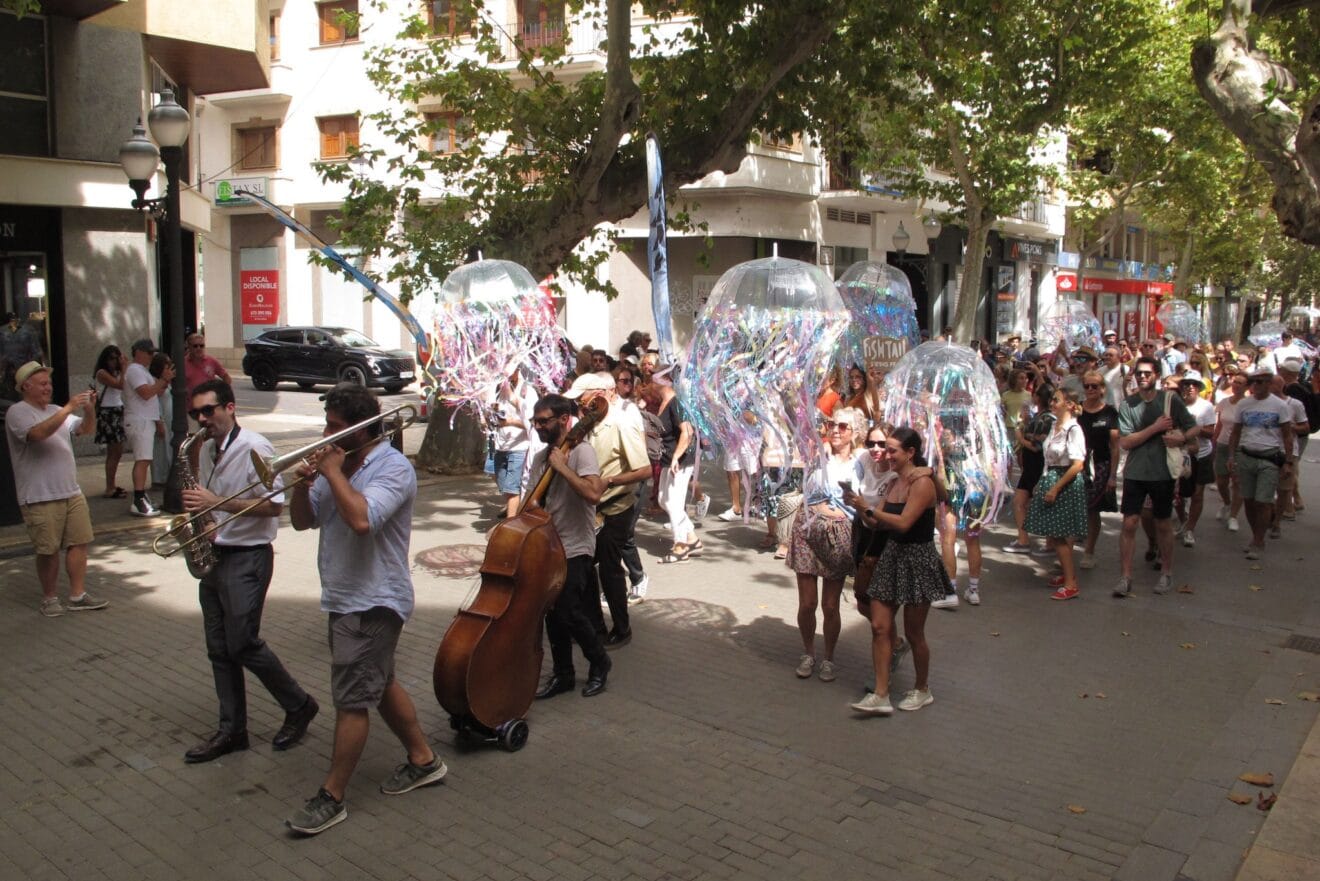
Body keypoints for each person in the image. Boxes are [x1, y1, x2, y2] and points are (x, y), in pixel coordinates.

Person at [287, 383, 446, 836]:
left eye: (335, 427)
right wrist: (303, 485)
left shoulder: (393, 468)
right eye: (326, 425)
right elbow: (302, 521)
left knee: (352, 700)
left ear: (360, 430)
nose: (326, 435)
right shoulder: (337, 465)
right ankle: (423, 759)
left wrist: (331, 472)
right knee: (380, 682)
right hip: (343, 595)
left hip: (374, 599)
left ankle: (332, 796)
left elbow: (361, 520)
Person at [180, 380, 318, 764]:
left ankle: (299, 704)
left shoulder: (255, 447)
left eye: (208, 410)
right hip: (215, 554)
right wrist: (206, 520)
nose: (202, 419)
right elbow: (209, 503)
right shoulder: (206, 449)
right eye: (195, 413)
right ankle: (232, 731)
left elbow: (273, 506)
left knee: (242, 643)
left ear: (230, 407)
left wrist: (217, 502)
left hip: (247, 557)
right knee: (219, 649)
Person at [850, 427, 944, 715]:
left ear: (910, 452)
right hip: (891, 557)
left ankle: (922, 688)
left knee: (915, 633)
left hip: (917, 560)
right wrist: (860, 508)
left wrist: (869, 509)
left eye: (892, 450)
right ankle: (881, 694)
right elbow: (877, 523)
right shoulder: (893, 482)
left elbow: (903, 523)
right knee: (880, 626)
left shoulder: (922, 483)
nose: (886, 455)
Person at [4, 362, 108, 617]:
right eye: (42, 384)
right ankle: (49, 598)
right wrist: (69, 408)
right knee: (48, 549)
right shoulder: (17, 412)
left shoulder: (55, 410)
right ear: (26, 387)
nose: (48, 387)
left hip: (71, 490)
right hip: (39, 495)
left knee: (79, 542)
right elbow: (37, 434)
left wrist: (89, 410)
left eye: (49, 383)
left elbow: (85, 429)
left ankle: (77, 595)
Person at [528, 394, 613, 700]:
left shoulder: (582, 452)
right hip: (548, 546)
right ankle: (563, 674)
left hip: (576, 545)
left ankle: (600, 662)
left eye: (544, 421)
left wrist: (562, 468)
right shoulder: (540, 458)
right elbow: (531, 502)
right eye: (535, 421)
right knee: (551, 613)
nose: (538, 427)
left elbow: (593, 494)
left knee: (567, 610)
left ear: (564, 420)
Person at [563, 372, 650, 645]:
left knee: (609, 569)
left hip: (617, 507)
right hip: (593, 508)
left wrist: (609, 480)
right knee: (586, 565)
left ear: (600, 395)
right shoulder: (590, 423)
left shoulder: (621, 424)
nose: (580, 405)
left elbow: (644, 469)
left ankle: (622, 629)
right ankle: (594, 626)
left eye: (583, 399)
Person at [786, 408, 863, 683]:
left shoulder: (861, 462)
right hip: (807, 529)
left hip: (838, 537)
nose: (835, 430)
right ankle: (808, 653)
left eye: (843, 426)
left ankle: (829, 658)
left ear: (855, 432)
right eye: (832, 424)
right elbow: (793, 418)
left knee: (830, 605)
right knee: (808, 603)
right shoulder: (815, 453)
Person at [1114, 355, 1198, 597]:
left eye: (1147, 373)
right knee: (1129, 523)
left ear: (1157, 376)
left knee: (1163, 522)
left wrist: (1181, 437)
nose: (1142, 377)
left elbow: (1193, 427)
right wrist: (1155, 428)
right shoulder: (1128, 404)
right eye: (1139, 373)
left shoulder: (1170, 400)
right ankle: (1125, 577)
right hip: (1135, 472)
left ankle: (1166, 572)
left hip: (1163, 472)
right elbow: (1126, 442)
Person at [1025, 388, 1089, 600]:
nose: (1052, 403)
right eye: (1052, 399)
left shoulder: (1074, 429)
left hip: (1065, 482)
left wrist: (1055, 488)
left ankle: (1071, 583)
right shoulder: (1055, 425)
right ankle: (1066, 575)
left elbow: (1077, 464)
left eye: (1056, 400)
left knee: (1060, 535)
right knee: (1055, 533)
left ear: (1069, 404)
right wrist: (1043, 481)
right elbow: (1048, 458)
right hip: (1052, 478)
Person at [1227, 365, 1294, 560]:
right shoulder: (1244, 404)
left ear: (1268, 383)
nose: (1254, 385)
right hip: (1246, 456)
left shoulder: (1279, 406)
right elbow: (1235, 433)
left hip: (1269, 458)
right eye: (1252, 381)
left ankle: (1258, 540)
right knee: (1248, 501)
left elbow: (1287, 435)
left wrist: (1288, 462)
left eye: (1259, 382)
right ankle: (1256, 535)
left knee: (1263, 502)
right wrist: (1231, 457)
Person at [643, 378, 702, 562]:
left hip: (680, 462)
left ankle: (680, 546)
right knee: (663, 500)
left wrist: (676, 456)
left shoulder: (677, 402)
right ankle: (692, 538)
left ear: (662, 382)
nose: (648, 386)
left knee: (674, 503)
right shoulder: (664, 402)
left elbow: (688, 432)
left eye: (650, 381)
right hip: (667, 460)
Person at [123, 339, 173, 516]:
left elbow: (157, 391)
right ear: (139, 352)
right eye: (149, 353)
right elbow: (145, 393)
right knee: (142, 460)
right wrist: (163, 380)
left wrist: (164, 380)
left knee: (145, 460)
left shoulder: (142, 370)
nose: (152, 356)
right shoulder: (135, 370)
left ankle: (141, 496)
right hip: (140, 420)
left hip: (145, 420)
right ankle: (138, 499)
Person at [1004, 383, 1056, 555]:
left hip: (1039, 466)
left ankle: (1050, 544)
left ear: (1038, 398)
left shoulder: (1047, 419)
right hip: (1030, 467)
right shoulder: (1038, 416)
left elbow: (1036, 446)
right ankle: (1023, 540)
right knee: (1019, 502)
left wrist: (1021, 437)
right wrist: (1025, 423)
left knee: (1043, 504)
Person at [1077, 370, 1119, 570]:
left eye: (1094, 386)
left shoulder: (1109, 413)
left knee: (1092, 509)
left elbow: (1115, 446)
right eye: (1087, 386)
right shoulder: (1077, 410)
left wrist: (1113, 476)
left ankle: (1089, 551)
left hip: (1100, 465)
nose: (1090, 389)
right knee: (1074, 506)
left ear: (1102, 389)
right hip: (1077, 464)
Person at [1174, 371, 1217, 547]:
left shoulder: (1206, 407)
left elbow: (1211, 432)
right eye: (1187, 384)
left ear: (1199, 388)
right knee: (1177, 495)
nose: (1190, 387)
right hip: (1179, 454)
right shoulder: (1176, 404)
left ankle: (1190, 529)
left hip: (1201, 455)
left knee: (1197, 494)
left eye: (1194, 384)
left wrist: (1195, 428)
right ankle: (1184, 521)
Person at [488, 369, 535, 520]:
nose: (505, 372)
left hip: (520, 447)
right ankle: (518, 514)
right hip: (500, 446)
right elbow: (489, 413)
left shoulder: (527, 391)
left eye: (509, 368)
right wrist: (489, 416)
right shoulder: (496, 389)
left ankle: (510, 525)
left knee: (512, 489)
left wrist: (510, 422)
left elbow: (533, 423)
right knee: (505, 488)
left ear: (517, 369)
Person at [1212, 370, 1248, 532]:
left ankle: (1233, 516)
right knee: (1221, 481)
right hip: (1222, 444)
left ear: (1247, 387)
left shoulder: (1248, 404)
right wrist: (1213, 444)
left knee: (1238, 482)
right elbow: (1219, 425)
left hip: (1241, 447)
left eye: (1240, 383)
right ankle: (1227, 503)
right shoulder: (1224, 402)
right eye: (1235, 382)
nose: (1236, 385)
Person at [92, 344, 128, 498]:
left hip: (117, 410)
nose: (114, 362)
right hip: (109, 413)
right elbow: (121, 385)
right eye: (111, 359)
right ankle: (109, 487)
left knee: (118, 452)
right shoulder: (101, 373)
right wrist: (124, 368)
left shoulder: (117, 372)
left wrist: (124, 366)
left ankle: (112, 485)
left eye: (116, 358)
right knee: (113, 451)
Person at [149, 351, 176, 486]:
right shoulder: (155, 381)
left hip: (170, 419)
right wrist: (159, 421)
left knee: (169, 448)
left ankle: (168, 476)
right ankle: (159, 478)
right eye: (166, 368)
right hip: (161, 418)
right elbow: (156, 398)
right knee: (160, 449)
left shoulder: (167, 382)